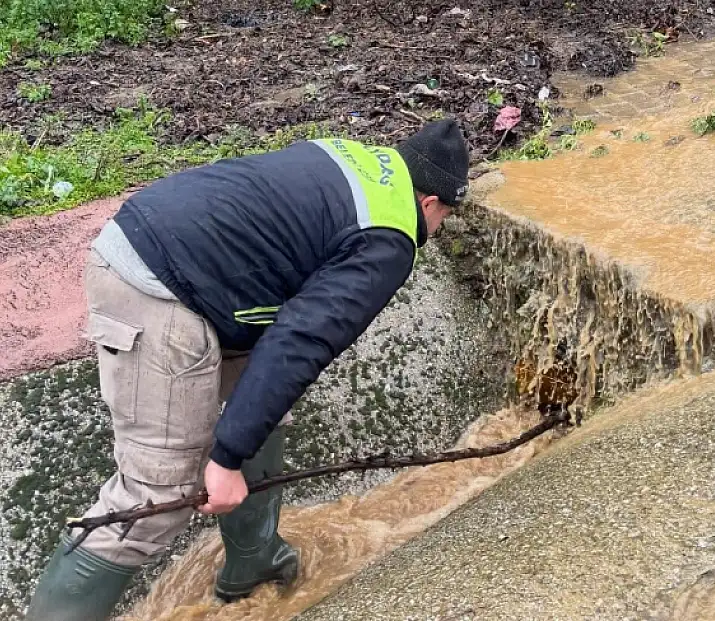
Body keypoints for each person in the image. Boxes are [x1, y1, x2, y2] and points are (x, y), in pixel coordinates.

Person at [24, 119, 470, 621]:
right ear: (429, 202)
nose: (438, 230)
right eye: (445, 218)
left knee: (264, 415)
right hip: (159, 288)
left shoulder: (358, 162)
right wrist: (226, 459)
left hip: (194, 267)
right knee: (156, 494)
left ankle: (253, 560)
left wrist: (238, 445)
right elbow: (303, 339)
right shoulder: (390, 238)